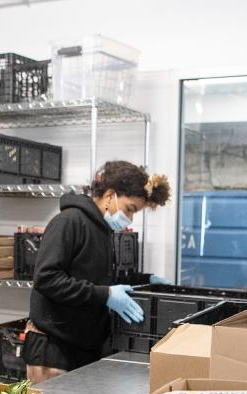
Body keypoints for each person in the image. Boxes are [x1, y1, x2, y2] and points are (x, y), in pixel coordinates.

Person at [24, 161, 171, 382]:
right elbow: (47, 278)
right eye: (130, 209)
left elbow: (99, 278)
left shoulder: (103, 231)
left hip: (82, 345)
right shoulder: (69, 222)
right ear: (110, 195)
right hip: (53, 350)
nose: (130, 218)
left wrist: (146, 280)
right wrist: (106, 295)